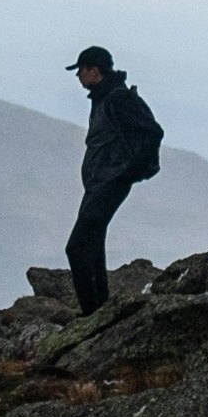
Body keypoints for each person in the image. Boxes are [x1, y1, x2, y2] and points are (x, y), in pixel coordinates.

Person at [66, 46, 166, 308]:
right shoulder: (103, 97)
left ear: (94, 70)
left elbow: (153, 131)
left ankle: (91, 315)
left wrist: (129, 171)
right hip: (99, 183)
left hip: (108, 183)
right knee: (94, 246)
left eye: (81, 70)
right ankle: (100, 309)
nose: (78, 76)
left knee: (77, 249)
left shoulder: (118, 98)